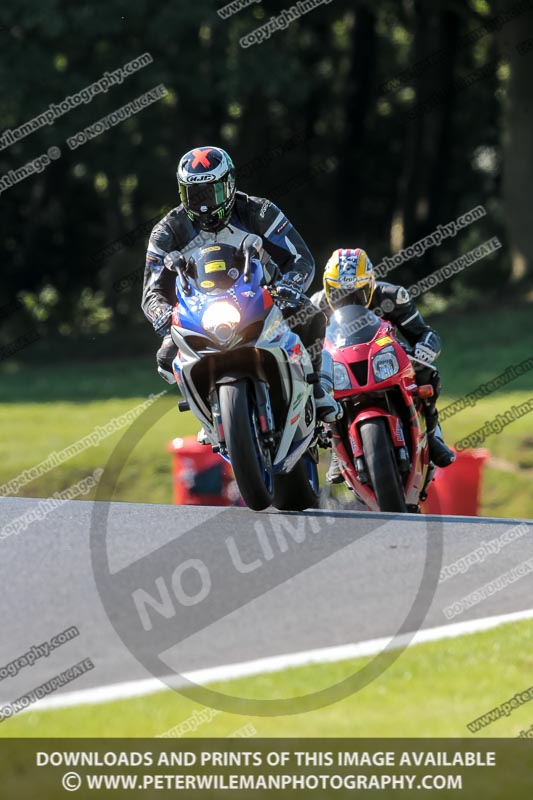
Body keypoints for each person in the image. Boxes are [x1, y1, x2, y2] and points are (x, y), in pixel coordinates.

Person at [141, 145, 341, 424]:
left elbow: (300, 258)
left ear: (230, 184)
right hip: (199, 312)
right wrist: (162, 314)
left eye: (212, 192)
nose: (204, 205)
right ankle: (208, 414)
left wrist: (289, 288)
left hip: (264, 298)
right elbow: (151, 291)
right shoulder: (167, 230)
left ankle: (317, 385)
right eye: (194, 194)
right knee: (166, 357)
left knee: (311, 316)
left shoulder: (259, 211)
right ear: (180, 192)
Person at [311, 248, 456, 481]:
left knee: (428, 373)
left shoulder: (391, 296)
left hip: (385, 360)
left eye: (357, 293)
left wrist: (425, 347)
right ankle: (337, 449)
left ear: (370, 285)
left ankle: (433, 435)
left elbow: (423, 333)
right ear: (327, 289)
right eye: (338, 294)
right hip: (340, 365)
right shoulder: (315, 307)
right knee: (313, 386)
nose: (347, 299)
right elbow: (305, 348)